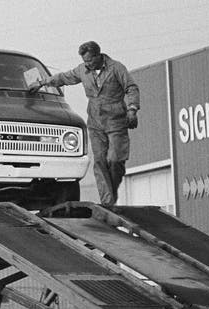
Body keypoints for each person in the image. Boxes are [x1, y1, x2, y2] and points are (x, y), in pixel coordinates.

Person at [30, 41, 139, 207]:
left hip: (116, 120)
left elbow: (131, 88)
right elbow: (63, 78)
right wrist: (41, 83)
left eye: (89, 60)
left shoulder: (116, 68)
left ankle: (112, 191)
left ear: (98, 55)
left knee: (116, 159)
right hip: (95, 122)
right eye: (85, 61)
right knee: (100, 161)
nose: (87, 64)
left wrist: (132, 109)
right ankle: (107, 202)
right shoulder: (83, 70)